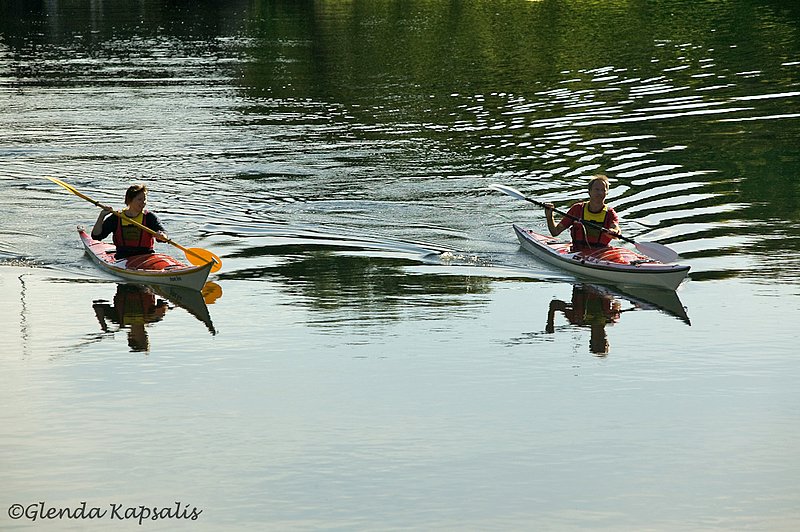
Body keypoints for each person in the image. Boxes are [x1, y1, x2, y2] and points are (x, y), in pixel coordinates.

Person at [543, 174, 621, 251]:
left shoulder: (610, 213)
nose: (600, 193)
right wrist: (549, 216)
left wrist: (613, 232)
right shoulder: (577, 209)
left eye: (603, 190)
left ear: (606, 193)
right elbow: (555, 232)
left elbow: (615, 228)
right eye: (596, 189)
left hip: (600, 252)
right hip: (577, 251)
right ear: (589, 192)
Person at [91, 184, 168, 259]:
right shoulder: (117, 217)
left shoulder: (149, 217)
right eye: (140, 199)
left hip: (146, 256)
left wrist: (162, 236)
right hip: (123, 257)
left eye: (144, 199)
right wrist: (101, 216)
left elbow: (162, 232)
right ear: (130, 200)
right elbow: (96, 236)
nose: (143, 202)